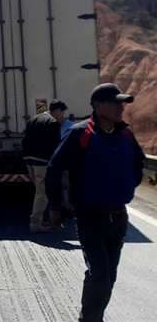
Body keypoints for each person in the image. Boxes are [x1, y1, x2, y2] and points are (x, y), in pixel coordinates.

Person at [46, 84, 145, 322]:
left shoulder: (125, 134)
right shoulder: (81, 133)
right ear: (99, 106)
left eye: (123, 103)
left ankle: (90, 315)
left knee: (108, 275)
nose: (121, 107)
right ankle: (90, 319)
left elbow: (138, 163)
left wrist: (128, 186)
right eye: (116, 103)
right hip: (90, 217)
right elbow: (54, 169)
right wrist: (56, 206)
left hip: (118, 217)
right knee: (100, 273)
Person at [22, 99, 67, 232]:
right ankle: (35, 224)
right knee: (42, 194)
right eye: (62, 113)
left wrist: (26, 160)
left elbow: (24, 140)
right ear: (57, 110)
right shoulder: (53, 123)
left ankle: (44, 220)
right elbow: (56, 146)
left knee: (40, 192)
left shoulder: (33, 119)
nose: (62, 116)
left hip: (30, 161)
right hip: (43, 162)